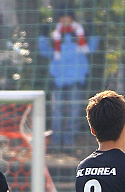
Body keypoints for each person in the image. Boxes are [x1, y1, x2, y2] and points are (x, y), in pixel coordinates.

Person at [46, 9, 92, 147]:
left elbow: (91, 49)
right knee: (57, 112)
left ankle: (69, 142)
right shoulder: (54, 35)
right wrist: (42, 38)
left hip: (76, 79)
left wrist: (93, 34)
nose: (64, 21)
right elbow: (46, 52)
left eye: (67, 18)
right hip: (58, 80)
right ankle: (56, 141)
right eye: (62, 18)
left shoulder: (81, 34)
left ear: (72, 19)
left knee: (74, 111)